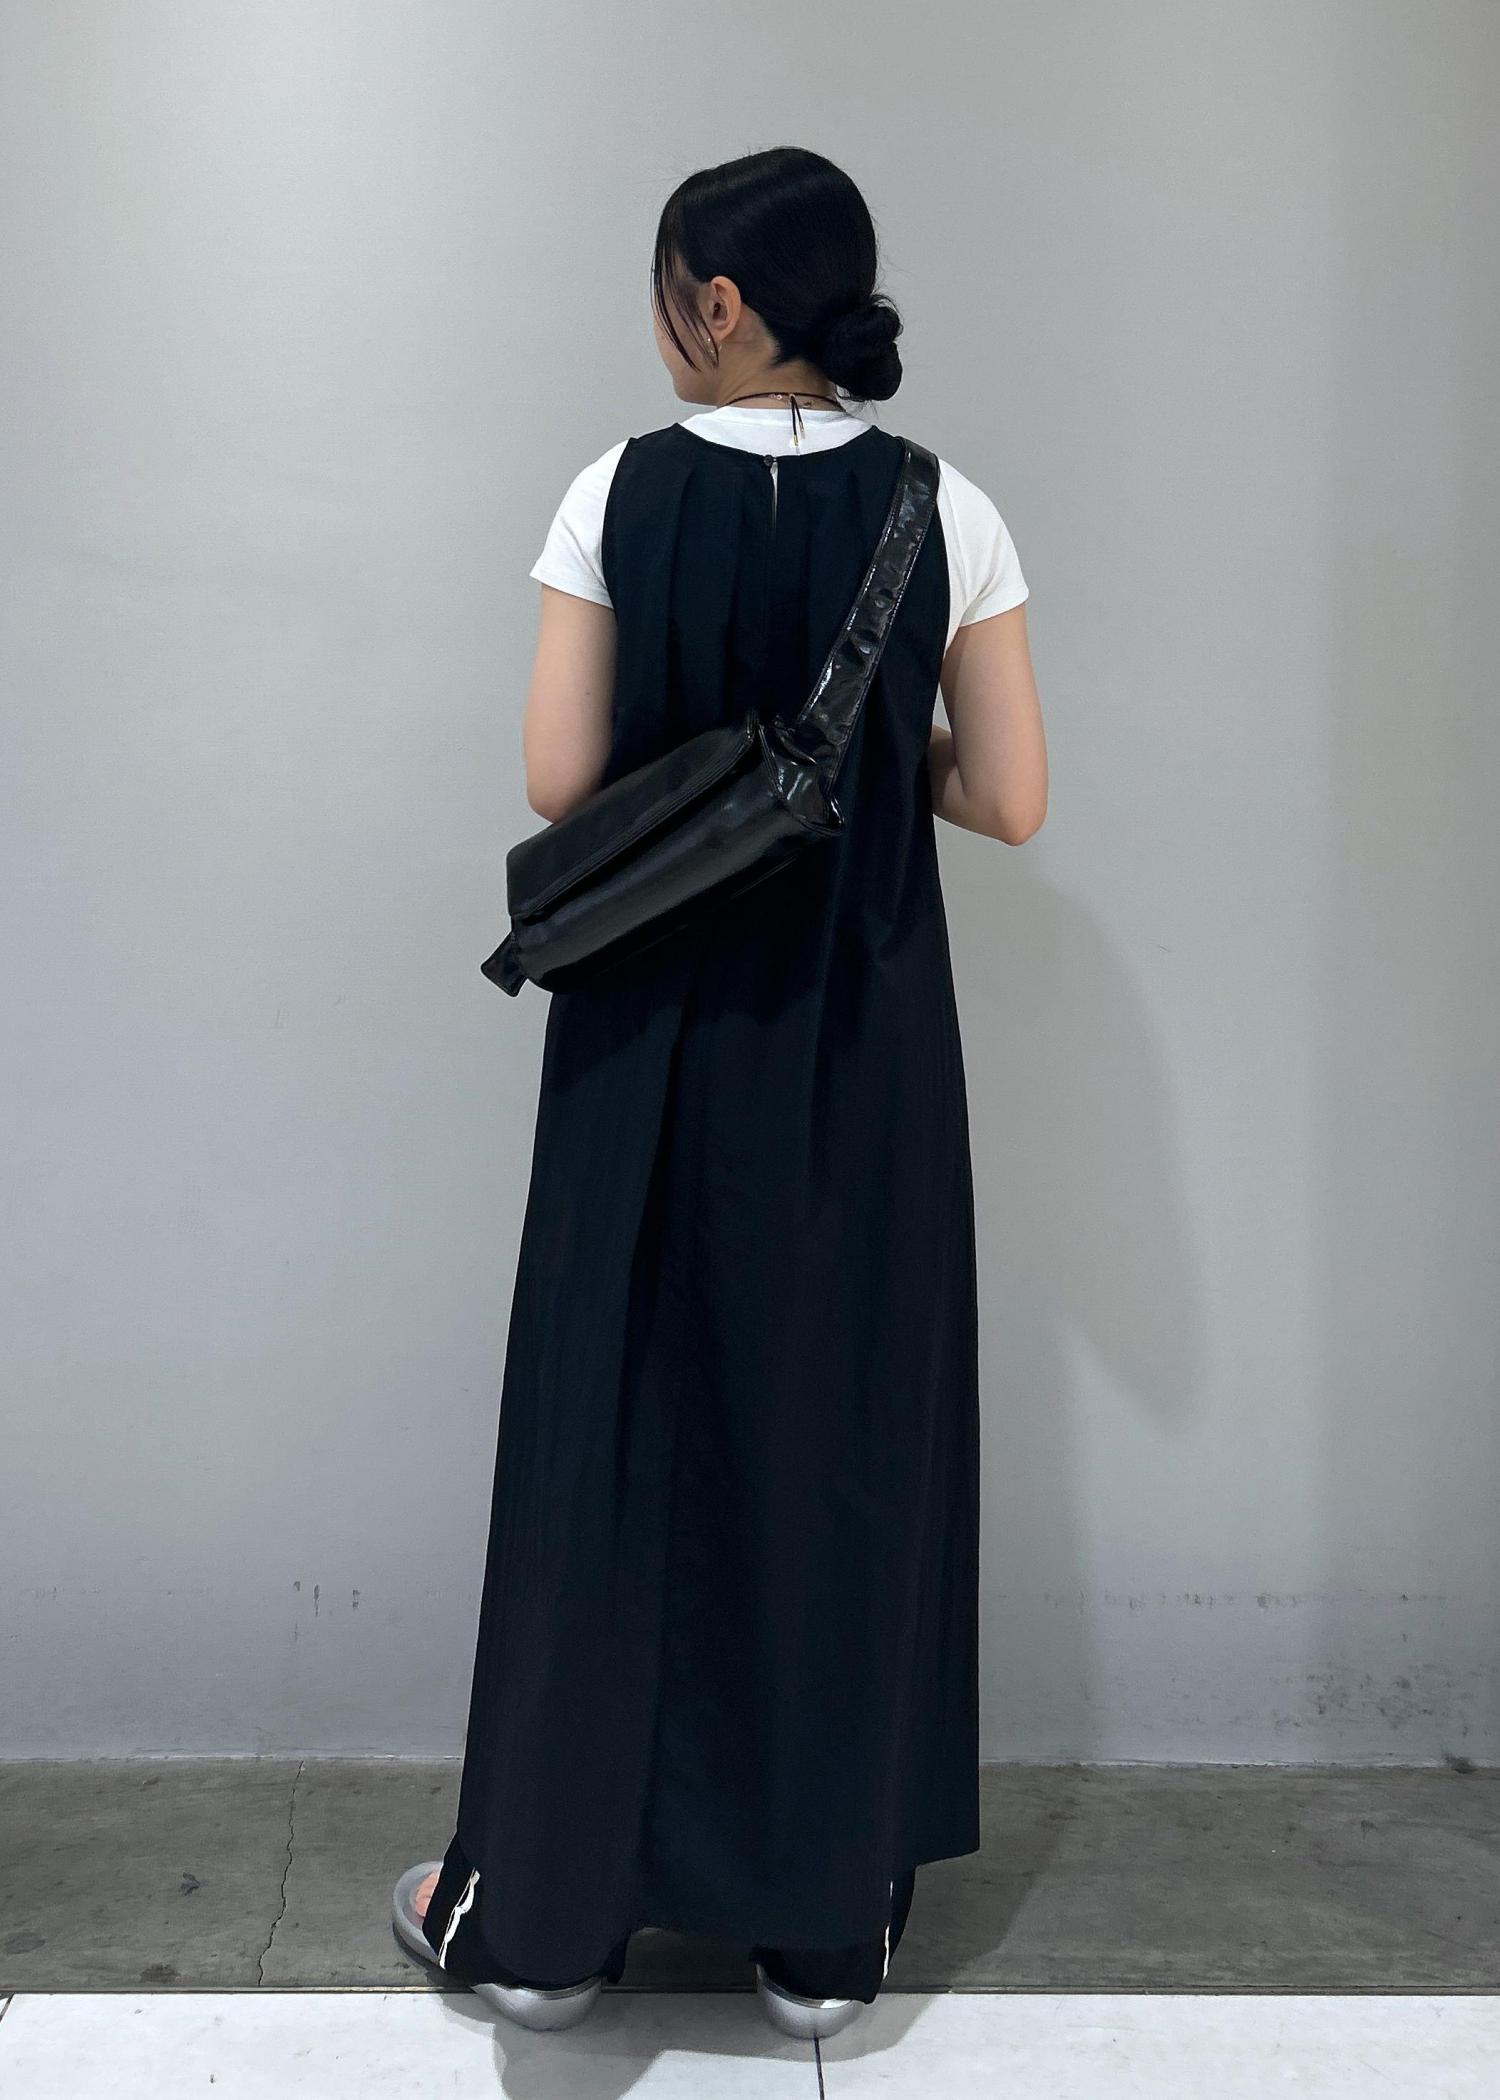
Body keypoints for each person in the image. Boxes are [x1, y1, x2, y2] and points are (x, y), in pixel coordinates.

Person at [392, 145, 1047, 2041]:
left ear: (723, 305)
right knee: (837, 1447)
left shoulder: (614, 491)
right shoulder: (944, 508)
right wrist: (881, 760)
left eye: (665, 289)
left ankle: (544, 1930)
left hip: (648, 1051)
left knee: (612, 1445)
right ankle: (820, 1941)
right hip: (859, 1060)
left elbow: (558, 781)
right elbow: (1010, 798)